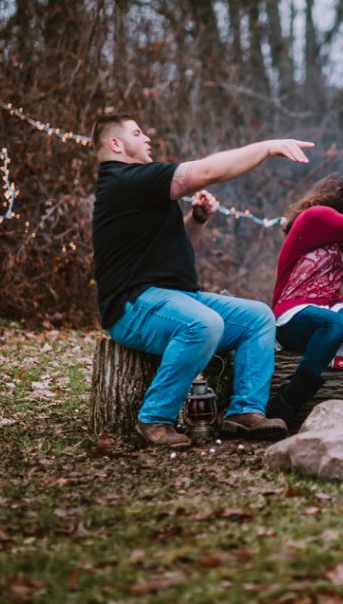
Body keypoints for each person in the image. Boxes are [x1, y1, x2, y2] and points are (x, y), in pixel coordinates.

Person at [91, 112, 313, 448]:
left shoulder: (140, 188)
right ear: (116, 144)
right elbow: (208, 171)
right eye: (137, 133)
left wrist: (196, 219)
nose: (147, 138)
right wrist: (267, 148)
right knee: (203, 324)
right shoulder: (125, 180)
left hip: (173, 298)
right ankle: (154, 418)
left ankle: (244, 413)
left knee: (257, 318)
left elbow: (174, 247)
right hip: (132, 307)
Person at [267, 173, 343, 430]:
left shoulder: (328, 235)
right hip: (292, 311)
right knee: (334, 324)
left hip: (323, 307)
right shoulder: (315, 215)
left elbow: (325, 292)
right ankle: (288, 400)